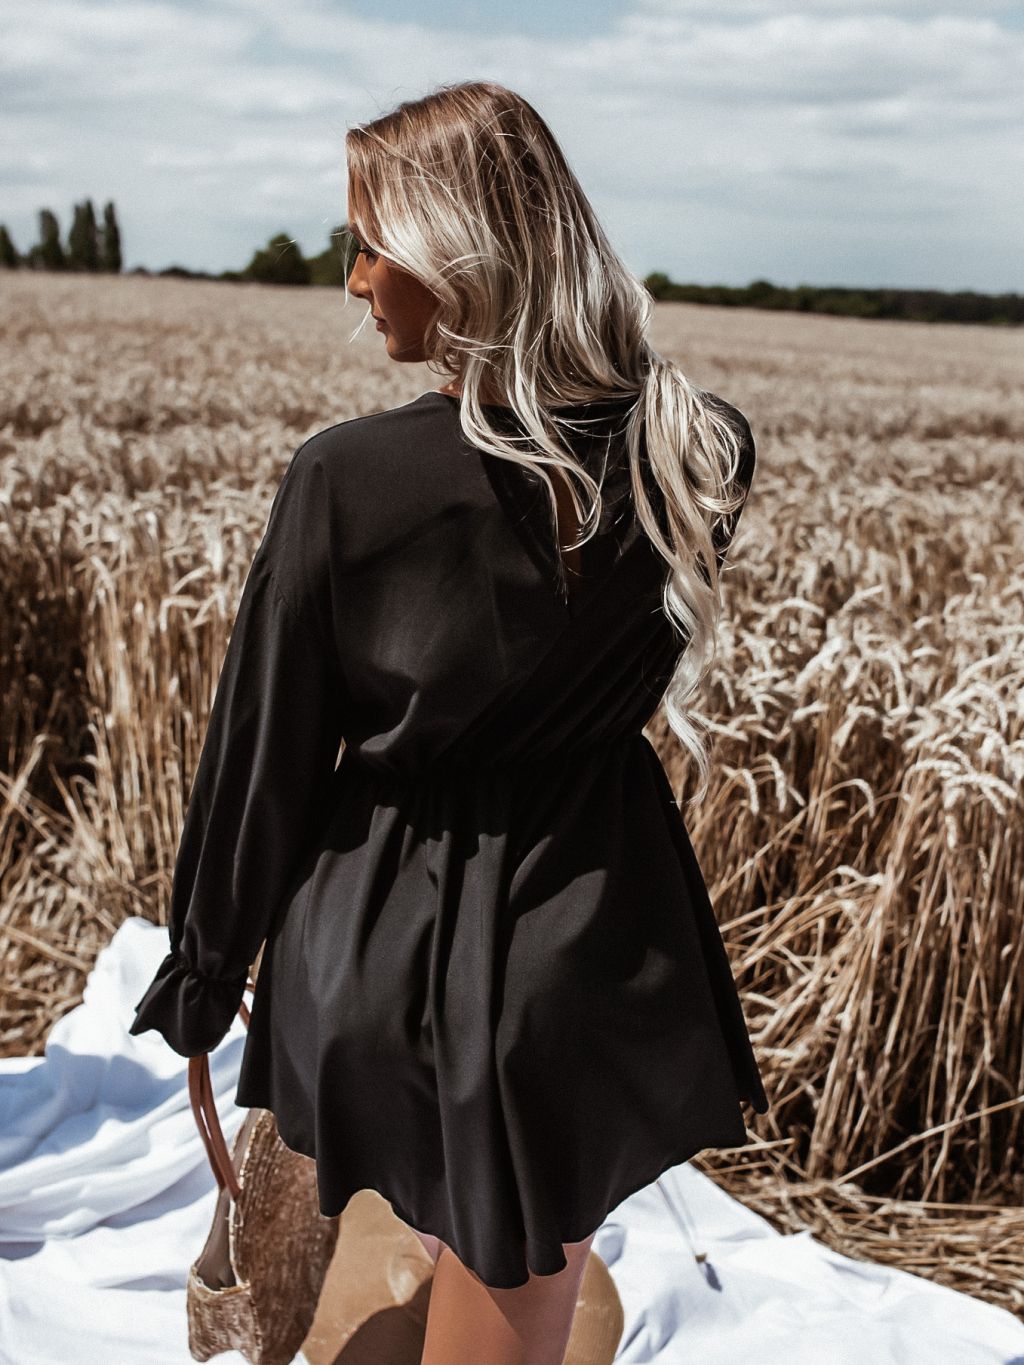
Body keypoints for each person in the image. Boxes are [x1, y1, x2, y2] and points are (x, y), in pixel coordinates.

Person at [129, 79, 768, 1365]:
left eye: (372, 245)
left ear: (459, 258)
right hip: (597, 935)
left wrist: (205, 969)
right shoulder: (697, 448)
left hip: (388, 940)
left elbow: (264, 755)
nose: (356, 281)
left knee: (444, 1230)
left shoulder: (345, 478)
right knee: (525, 1260)